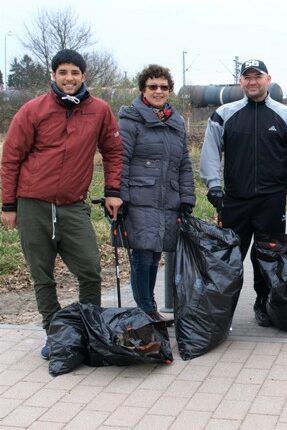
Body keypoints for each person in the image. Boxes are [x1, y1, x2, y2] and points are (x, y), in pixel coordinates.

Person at [0, 49, 122, 359]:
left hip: (72, 206)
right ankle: (56, 334)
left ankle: (90, 330)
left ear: (84, 76)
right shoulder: (32, 110)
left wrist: (112, 190)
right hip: (32, 205)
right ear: (53, 75)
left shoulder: (100, 111)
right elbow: (11, 157)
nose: (69, 78)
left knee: (91, 270)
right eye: (63, 72)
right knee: (43, 275)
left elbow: (113, 150)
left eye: (75, 72)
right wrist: (8, 205)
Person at [200, 59, 287, 327]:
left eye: (258, 77)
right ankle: (222, 310)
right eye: (247, 77)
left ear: (268, 79)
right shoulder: (224, 114)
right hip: (235, 200)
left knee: (268, 257)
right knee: (229, 257)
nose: (252, 82)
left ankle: (263, 303)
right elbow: (210, 151)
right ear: (241, 81)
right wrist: (214, 186)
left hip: (271, 201)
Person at [118, 64, 195, 322]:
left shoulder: (175, 122)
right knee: (142, 256)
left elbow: (183, 163)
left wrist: (187, 197)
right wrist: (120, 195)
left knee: (155, 255)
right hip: (140, 199)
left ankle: (148, 308)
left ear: (170, 90)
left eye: (163, 87)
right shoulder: (130, 120)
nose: (158, 91)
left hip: (167, 200)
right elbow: (121, 160)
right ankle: (146, 310)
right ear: (143, 89)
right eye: (153, 86)